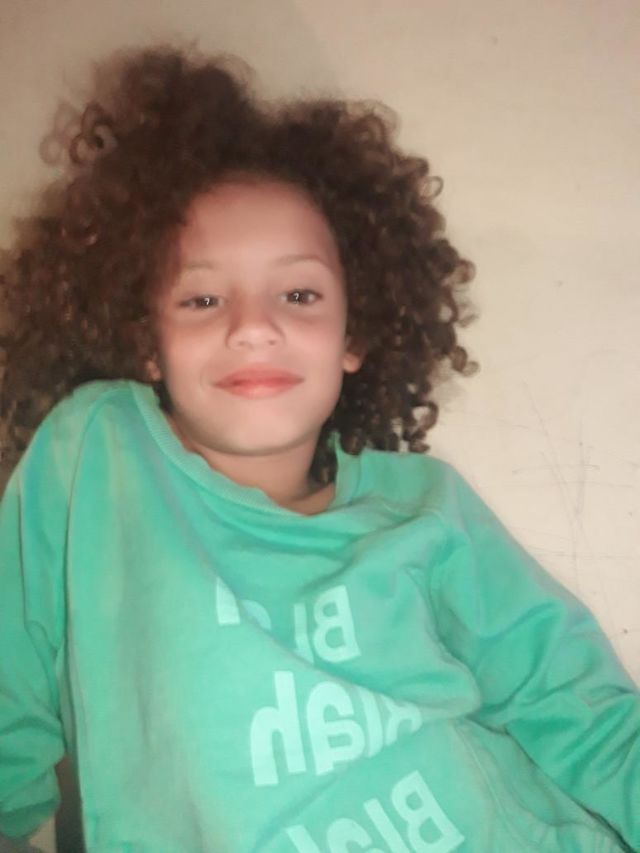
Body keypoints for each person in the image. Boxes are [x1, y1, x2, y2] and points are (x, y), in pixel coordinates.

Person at [0, 46, 638, 853]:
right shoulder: (99, 457)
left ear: (354, 334)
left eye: (298, 293)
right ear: (146, 341)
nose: (252, 326)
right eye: (202, 297)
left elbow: (576, 702)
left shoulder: (424, 504)